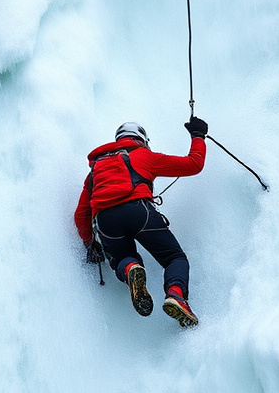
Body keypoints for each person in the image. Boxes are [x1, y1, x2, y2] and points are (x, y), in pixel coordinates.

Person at [74, 117, 208, 327]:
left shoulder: (95, 172)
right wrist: (198, 136)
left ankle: (130, 269)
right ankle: (176, 294)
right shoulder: (144, 155)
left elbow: (81, 215)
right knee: (174, 258)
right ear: (142, 141)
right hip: (138, 211)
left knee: (122, 259)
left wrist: (89, 243)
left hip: (105, 220)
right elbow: (194, 164)